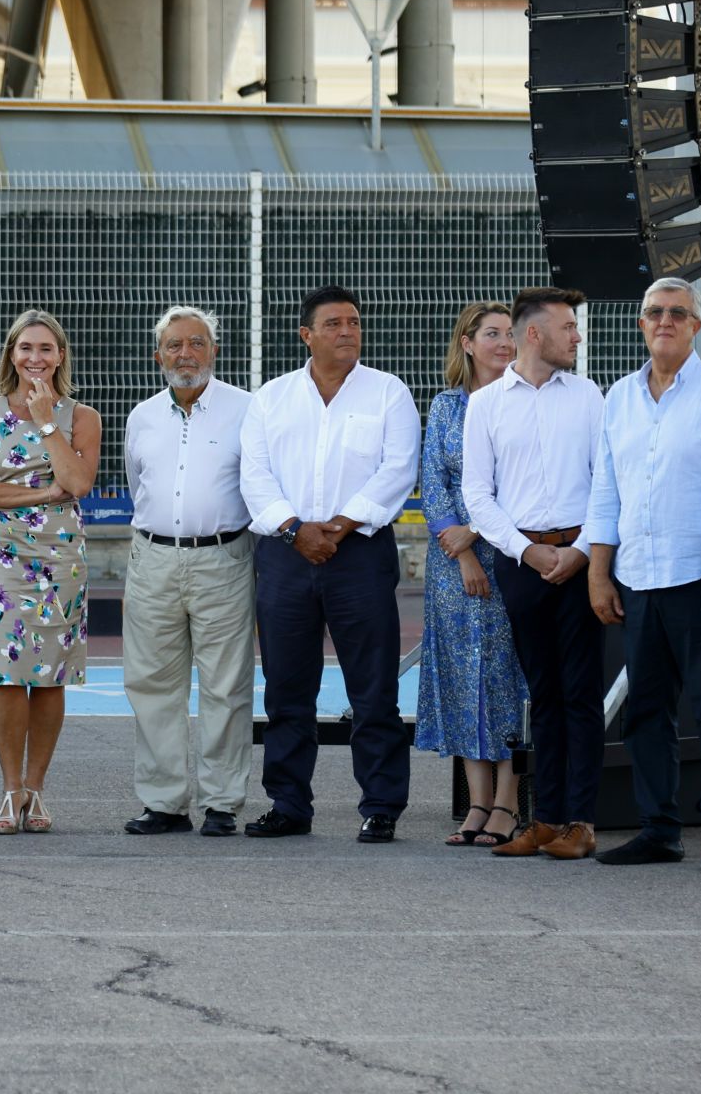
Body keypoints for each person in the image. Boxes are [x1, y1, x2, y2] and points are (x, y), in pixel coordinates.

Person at [587, 277, 701, 872]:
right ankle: (657, 828)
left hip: (698, 575)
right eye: (655, 312)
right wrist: (599, 574)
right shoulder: (618, 399)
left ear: (696, 326)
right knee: (646, 712)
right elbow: (606, 492)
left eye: (678, 313)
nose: (665, 320)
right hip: (637, 577)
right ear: (641, 323)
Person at [239, 285, 420, 843]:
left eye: (354, 322)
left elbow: (397, 471)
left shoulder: (389, 393)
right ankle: (289, 804)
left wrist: (337, 528)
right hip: (286, 554)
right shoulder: (271, 397)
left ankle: (382, 805)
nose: (347, 331)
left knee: (373, 688)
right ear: (306, 334)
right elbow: (255, 474)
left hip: (359, 553)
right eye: (334, 323)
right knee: (287, 689)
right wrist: (295, 530)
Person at [462, 286, 606, 860]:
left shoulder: (589, 396)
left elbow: (606, 483)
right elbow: (478, 493)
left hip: (581, 559)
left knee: (581, 693)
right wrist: (525, 551)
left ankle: (583, 822)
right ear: (534, 335)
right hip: (523, 565)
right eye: (567, 326)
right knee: (542, 694)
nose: (577, 336)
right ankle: (546, 820)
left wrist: (584, 550)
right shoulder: (487, 404)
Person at [121, 307, 255, 838]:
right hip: (152, 556)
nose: (185, 355)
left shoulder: (248, 410)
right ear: (159, 356)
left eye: (196, 344)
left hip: (223, 557)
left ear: (214, 351)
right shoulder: (142, 416)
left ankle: (223, 801)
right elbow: (139, 486)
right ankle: (165, 802)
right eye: (174, 346)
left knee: (226, 683)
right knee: (152, 682)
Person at [0, 309, 99, 835]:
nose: (35, 358)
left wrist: (46, 422)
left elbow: (79, 481)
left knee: (50, 677)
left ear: (60, 355)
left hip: (61, 557)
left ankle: (36, 789)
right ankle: (8, 789)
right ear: (11, 355)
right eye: (26, 349)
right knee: (6, 673)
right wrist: (44, 493)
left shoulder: (81, 416)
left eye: (45, 349)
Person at [417, 301, 530, 850]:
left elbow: (526, 483)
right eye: (492, 334)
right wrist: (460, 550)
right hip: (453, 566)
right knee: (464, 676)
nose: (504, 343)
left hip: (510, 553)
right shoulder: (444, 407)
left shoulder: (522, 403)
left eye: (510, 333)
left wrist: (480, 535)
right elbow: (433, 482)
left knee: (508, 676)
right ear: (467, 342)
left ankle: (508, 802)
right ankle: (477, 801)